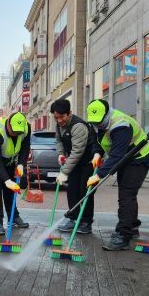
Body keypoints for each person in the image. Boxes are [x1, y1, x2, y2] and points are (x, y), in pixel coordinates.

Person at [85, 99, 149, 251]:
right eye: (94, 122)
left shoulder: (121, 125)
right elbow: (97, 140)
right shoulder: (94, 122)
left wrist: (99, 175)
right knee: (126, 194)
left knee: (126, 195)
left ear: (106, 114)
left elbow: (117, 155)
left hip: (138, 157)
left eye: (99, 121)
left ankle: (123, 235)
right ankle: (132, 226)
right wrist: (97, 153)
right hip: (125, 157)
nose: (97, 124)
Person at [51, 98, 98, 234]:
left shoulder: (78, 126)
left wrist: (64, 172)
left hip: (88, 162)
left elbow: (78, 151)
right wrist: (61, 154)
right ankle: (73, 218)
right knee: (72, 190)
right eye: (56, 118)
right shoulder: (59, 125)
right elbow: (59, 141)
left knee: (85, 191)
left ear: (69, 113)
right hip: (75, 162)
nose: (59, 120)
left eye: (62, 117)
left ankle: (86, 222)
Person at [0, 111, 31, 236]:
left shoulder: (26, 128)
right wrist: (6, 180)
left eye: (18, 133)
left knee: (11, 189)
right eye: (13, 131)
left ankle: (13, 217)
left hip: (9, 159)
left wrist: (21, 164)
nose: (16, 135)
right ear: (8, 123)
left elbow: (25, 147)